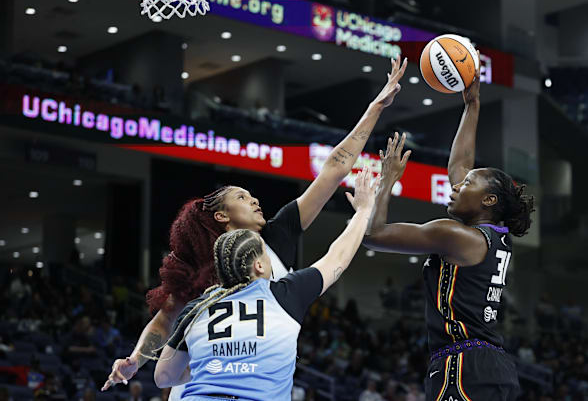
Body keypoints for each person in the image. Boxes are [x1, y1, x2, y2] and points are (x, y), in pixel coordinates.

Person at [102, 57, 407, 396]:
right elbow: (162, 322)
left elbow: (333, 169)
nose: (255, 200)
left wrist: (375, 108)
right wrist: (135, 359)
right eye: (243, 197)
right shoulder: (197, 268)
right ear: (221, 216)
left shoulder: (279, 233)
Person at [363, 63, 535, 401]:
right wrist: (472, 105)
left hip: (463, 364)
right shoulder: (495, 234)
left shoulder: (455, 236)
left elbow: (374, 234)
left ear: (488, 199)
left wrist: (386, 183)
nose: (455, 186)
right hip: (492, 366)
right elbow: (460, 165)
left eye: (467, 184)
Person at [152, 167, 377, 400]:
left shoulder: (195, 309)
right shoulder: (285, 295)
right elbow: (338, 258)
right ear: (259, 265)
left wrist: (211, 370)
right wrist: (364, 210)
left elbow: (163, 377)